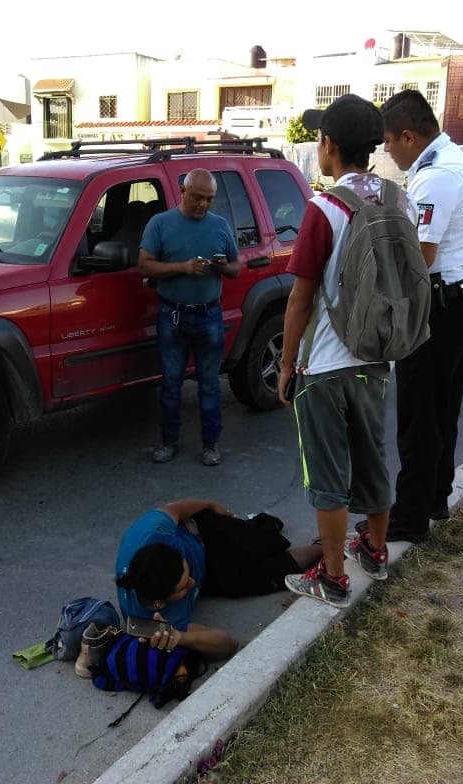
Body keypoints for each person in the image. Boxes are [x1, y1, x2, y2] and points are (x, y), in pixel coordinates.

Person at [276, 95, 417, 608]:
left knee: (327, 471)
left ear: (329, 145)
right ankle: (375, 552)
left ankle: (332, 577)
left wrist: (286, 363)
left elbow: (301, 297)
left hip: (325, 364)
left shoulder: (325, 207)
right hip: (376, 358)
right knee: (373, 457)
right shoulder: (399, 200)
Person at [380, 89, 463, 543]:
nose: (387, 150)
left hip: (438, 308)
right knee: (442, 410)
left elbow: (418, 257)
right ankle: (435, 497)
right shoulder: (457, 160)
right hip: (461, 300)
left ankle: (409, 517)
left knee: (418, 417)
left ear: (408, 136)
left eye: (389, 141)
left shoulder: (435, 176)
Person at [115, 498, 321, 659]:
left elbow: (176, 508)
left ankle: (261, 525)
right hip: (211, 575)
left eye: (187, 573)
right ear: (161, 601)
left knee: (266, 542)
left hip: (203, 533)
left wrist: (211, 505)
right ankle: (322, 547)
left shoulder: (149, 532)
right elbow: (228, 644)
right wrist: (181, 638)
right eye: (184, 587)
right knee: (268, 576)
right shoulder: (152, 622)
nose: (191, 583)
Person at [138, 169, 241, 467]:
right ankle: (169, 441)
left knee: (209, 384)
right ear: (183, 192)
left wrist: (223, 267)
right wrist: (182, 268)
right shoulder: (160, 223)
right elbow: (144, 266)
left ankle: (210, 444)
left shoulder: (220, 226)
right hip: (172, 315)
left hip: (209, 315)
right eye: (197, 197)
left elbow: (236, 268)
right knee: (171, 384)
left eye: (209, 199)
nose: (203, 204)